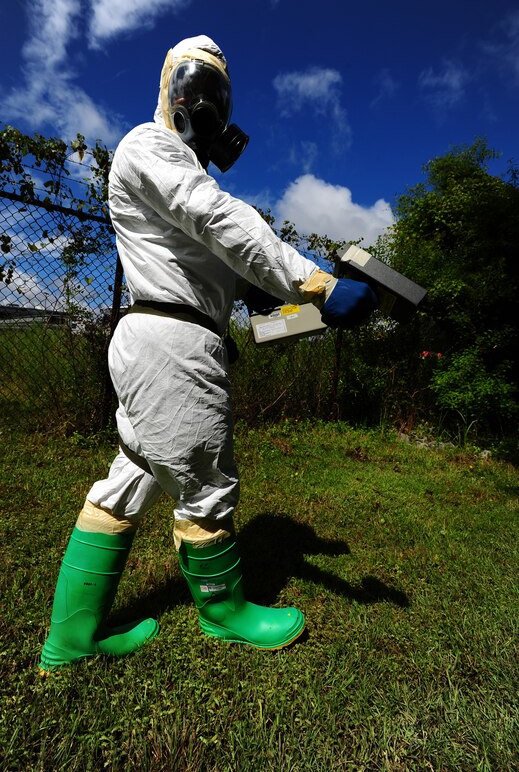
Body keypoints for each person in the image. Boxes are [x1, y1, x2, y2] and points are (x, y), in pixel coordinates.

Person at [39, 36, 377, 671]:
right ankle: (224, 613)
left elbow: (209, 255)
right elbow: (218, 217)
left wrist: (264, 297)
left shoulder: (174, 171)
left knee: (126, 483)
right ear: (171, 89)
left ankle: (71, 638)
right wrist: (318, 285)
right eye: (198, 87)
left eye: (218, 94)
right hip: (172, 342)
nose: (207, 105)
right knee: (207, 484)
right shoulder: (149, 145)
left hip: (166, 334)